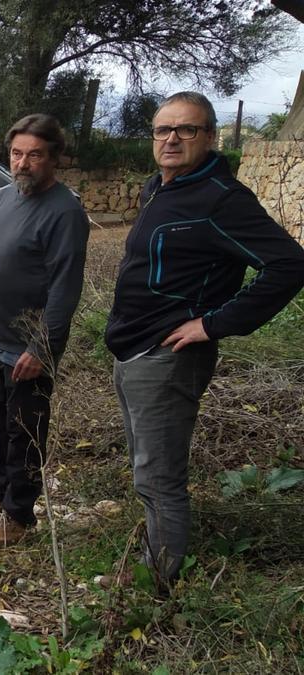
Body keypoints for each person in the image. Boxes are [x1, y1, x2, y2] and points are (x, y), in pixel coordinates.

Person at [106, 91, 304, 587]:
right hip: (135, 350)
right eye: (162, 130)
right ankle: (155, 558)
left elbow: (289, 264)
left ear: (211, 137)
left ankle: (157, 583)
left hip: (168, 357)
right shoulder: (161, 187)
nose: (171, 138)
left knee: (159, 476)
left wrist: (212, 324)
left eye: (186, 129)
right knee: (145, 470)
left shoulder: (221, 199)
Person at [0, 114, 90, 549]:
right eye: (16, 153)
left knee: (25, 432)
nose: (23, 163)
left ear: (54, 159)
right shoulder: (4, 197)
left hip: (28, 349)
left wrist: (42, 347)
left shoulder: (65, 212)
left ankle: (18, 516)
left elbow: (65, 288)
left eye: (34, 155)